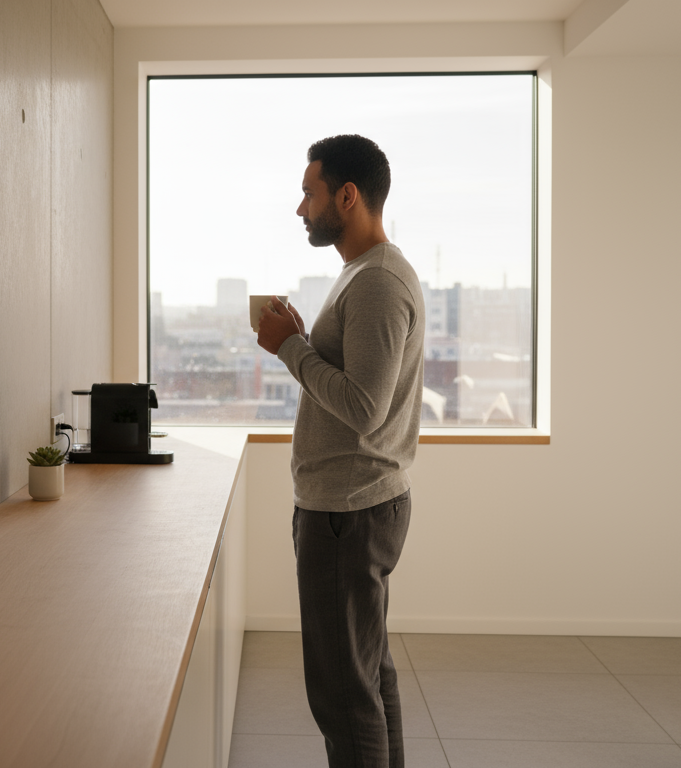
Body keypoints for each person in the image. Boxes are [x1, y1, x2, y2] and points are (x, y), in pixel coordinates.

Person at [256, 134, 425, 768]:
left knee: (342, 693)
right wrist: (302, 339)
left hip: (347, 516)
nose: (301, 208)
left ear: (347, 196)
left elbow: (363, 407)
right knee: (366, 676)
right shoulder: (363, 274)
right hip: (350, 508)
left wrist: (289, 350)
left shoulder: (378, 281)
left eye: (310, 192)